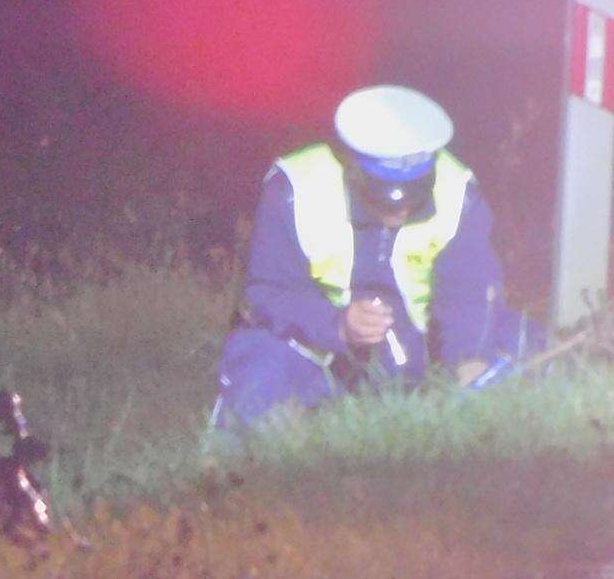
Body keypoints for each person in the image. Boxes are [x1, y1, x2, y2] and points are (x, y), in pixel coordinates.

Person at [212, 85, 536, 429]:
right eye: (382, 198)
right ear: (354, 171)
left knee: (523, 339)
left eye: (413, 196)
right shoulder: (294, 187)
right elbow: (268, 293)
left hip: (422, 349)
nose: (399, 210)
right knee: (260, 358)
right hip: (321, 349)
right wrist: (338, 325)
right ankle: (242, 459)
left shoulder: (459, 192)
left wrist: (469, 358)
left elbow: (470, 290)